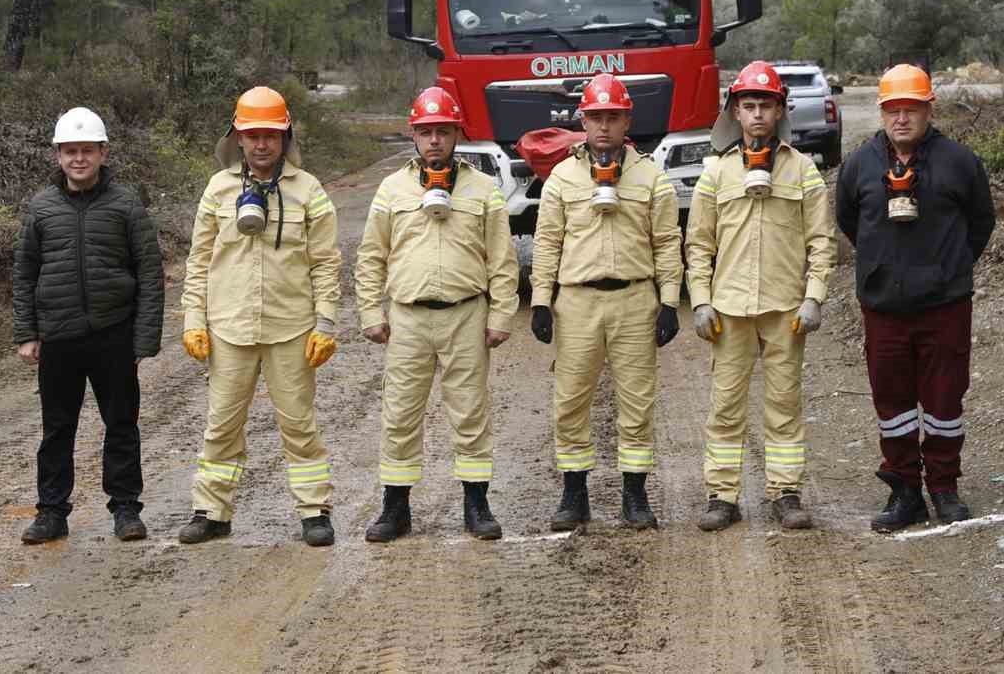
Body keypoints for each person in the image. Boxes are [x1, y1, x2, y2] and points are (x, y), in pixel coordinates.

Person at [177, 86, 341, 548]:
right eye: (253, 135)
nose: (262, 144)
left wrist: (325, 323)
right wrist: (194, 320)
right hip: (229, 328)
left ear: (285, 137)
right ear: (238, 138)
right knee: (222, 423)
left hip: (292, 328)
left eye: (271, 134)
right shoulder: (218, 188)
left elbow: (327, 262)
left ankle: (314, 511)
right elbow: (199, 260)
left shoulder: (309, 190)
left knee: (299, 424)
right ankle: (211, 511)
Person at [354, 87, 519, 542]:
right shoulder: (392, 189)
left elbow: (501, 260)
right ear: (413, 135)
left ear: (456, 134)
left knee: (470, 412)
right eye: (426, 132)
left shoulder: (483, 189)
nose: (434, 141)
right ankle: (395, 508)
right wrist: (371, 309)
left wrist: (501, 314)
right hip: (407, 316)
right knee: (400, 413)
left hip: (466, 313)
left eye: (442, 131)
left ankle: (477, 504)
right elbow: (372, 255)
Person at [835, 64, 995, 532]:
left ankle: (944, 487)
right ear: (881, 112)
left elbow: (981, 221)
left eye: (911, 109)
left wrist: (952, 268)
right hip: (884, 308)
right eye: (892, 110)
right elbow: (848, 220)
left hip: (944, 306)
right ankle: (905, 490)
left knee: (945, 400)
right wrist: (882, 268)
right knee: (893, 402)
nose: (901, 118)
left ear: (929, 109)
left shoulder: (959, 162)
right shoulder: (860, 164)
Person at [687, 62, 837, 532]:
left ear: (779, 111)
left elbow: (821, 241)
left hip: (785, 309)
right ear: (734, 111)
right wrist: (700, 300)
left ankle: (785, 492)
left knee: (784, 405)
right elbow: (698, 244)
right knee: (725, 406)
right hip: (729, 310)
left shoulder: (803, 170)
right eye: (748, 106)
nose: (756, 115)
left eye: (765, 106)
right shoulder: (716, 173)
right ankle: (722, 495)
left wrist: (814, 298)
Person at [530, 73, 683, 530]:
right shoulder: (562, 176)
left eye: (612, 117)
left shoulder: (651, 176)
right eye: (595, 117)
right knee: (571, 400)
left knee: (637, 401)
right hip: (578, 302)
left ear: (626, 120)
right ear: (582, 119)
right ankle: (574, 495)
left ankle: (634, 496)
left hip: (635, 299)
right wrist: (541, 300)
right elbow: (547, 242)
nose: (603, 127)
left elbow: (667, 243)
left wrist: (670, 302)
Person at [13, 107, 165, 544]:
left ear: (103, 152)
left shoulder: (125, 205)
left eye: (87, 150)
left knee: (121, 424)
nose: (78, 159)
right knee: (57, 429)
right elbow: (25, 273)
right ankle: (51, 513)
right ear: (58, 155)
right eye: (70, 151)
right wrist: (26, 333)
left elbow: (149, 272)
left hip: (112, 332)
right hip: (58, 337)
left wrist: (144, 338)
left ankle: (125, 509)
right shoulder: (42, 208)